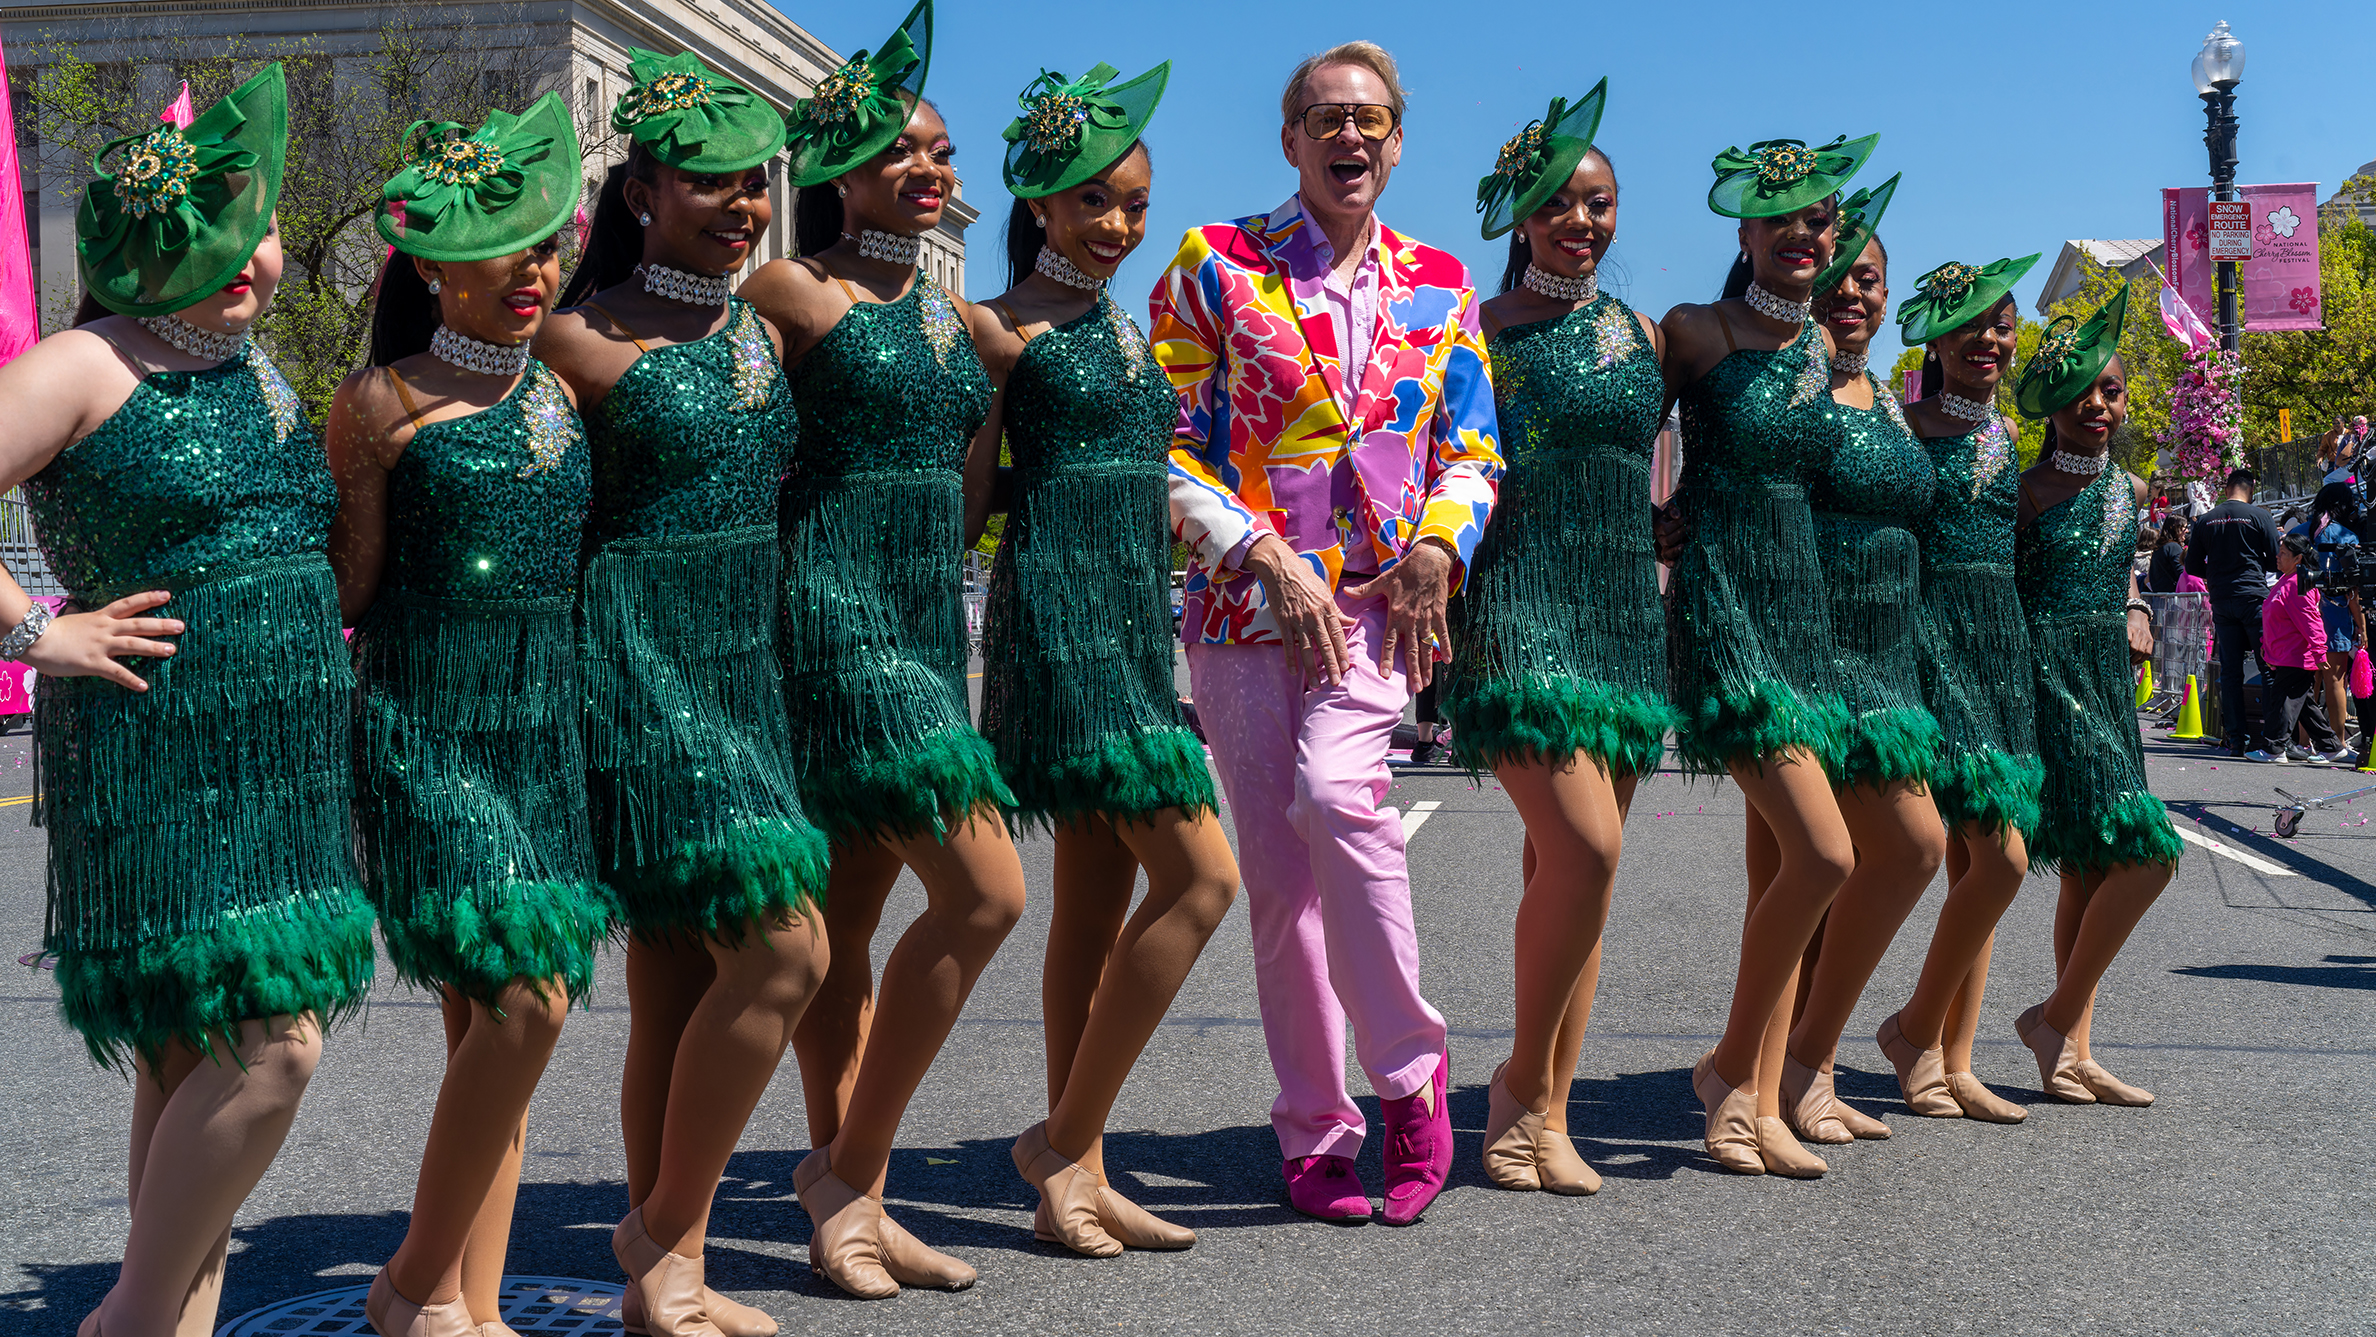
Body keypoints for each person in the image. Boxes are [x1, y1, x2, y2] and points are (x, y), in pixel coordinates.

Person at [0, 66, 376, 1335]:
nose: (252, 258)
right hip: (156, 751)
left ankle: (172, 1322)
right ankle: (133, 1318)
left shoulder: (256, 371)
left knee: (186, 1054)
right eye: (208, 229)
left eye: (258, 223)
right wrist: (39, 631)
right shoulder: (82, 362)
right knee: (275, 1043)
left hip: (277, 762)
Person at [1152, 40, 1500, 1224]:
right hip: (1247, 605)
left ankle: (1409, 1073)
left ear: (1398, 142)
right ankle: (1314, 1123)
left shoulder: (1442, 282)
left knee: (1337, 794)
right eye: (1324, 118)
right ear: (1290, 140)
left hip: (1381, 611)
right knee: (1281, 884)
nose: (1349, 138)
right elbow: (1168, 437)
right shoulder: (1216, 265)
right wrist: (1253, 547)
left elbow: (1474, 444)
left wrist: (1441, 546)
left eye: (1370, 120)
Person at [738, 0, 1028, 1297]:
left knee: (851, 920)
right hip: (828, 619)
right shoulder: (789, 290)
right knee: (986, 894)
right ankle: (845, 1174)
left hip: (923, 624)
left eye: (946, 153)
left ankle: (851, 1197)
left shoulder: (960, 323)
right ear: (841, 166)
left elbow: (973, 493)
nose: (934, 172)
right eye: (906, 150)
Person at [536, 49, 826, 1336]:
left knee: (670, 982)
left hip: (747, 673)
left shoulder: (759, 329)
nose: (741, 205)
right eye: (708, 181)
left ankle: (672, 1268)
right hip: (635, 673)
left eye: (754, 184)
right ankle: (654, 1232)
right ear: (641, 188)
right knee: (786, 949)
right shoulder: (573, 342)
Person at [329, 97, 611, 1336]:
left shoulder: (560, 391)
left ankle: (472, 1307)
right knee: (523, 1004)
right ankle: (408, 1284)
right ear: (436, 264)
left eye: (549, 244)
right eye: (508, 244)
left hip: (546, 730)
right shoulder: (378, 401)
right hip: (427, 729)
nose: (536, 267)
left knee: (488, 1034)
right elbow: (347, 586)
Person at [962, 60, 1241, 1256]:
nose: (1120, 224)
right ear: (1039, 204)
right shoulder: (999, 330)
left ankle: (1080, 1173)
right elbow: (969, 496)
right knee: (1202, 879)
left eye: (1134, 202)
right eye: (1094, 203)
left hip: (1135, 622)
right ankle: (1061, 1139)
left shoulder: (1121, 326)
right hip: (1063, 628)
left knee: (1094, 898)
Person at [1445, 82, 1672, 1196]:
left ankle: (1550, 1111)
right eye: (1560, 204)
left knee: (1577, 876)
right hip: (1519, 604)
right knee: (1586, 849)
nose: (1582, 222)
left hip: (1625, 616)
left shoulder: (1645, 333)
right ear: (1522, 216)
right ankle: (1517, 1084)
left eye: (1600, 203)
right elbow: (1432, 464)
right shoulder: (1477, 330)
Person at [1780, 184, 1956, 1151]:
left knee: (1854, 866)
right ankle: (1782, 1067)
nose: (1855, 293)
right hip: (1808, 644)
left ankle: (1810, 1060)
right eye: (1842, 275)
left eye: (1872, 280)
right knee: (1860, 857)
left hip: (1892, 658)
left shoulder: (1887, 393)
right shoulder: (1789, 375)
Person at [1883, 254, 2044, 1123]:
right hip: (1925, 645)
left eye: (2001, 324)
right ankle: (1911, 1033)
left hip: (1998, 653)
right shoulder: (1905, 428)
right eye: (1969, 326)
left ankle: (1952, 1054)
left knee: (1978, 865)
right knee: (2000, 860)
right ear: (1934, 341)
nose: (1988, 339)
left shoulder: (2006, 432)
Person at [2011, 284, 2181, 1106]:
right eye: (2082, 391)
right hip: (2052, 680)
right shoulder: (2027, 491)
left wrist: (2140, 606)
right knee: (2148, 852)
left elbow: (2126, 574)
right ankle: (2055, 1018)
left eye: (2112, 390)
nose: (2099, 405)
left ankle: (2070, 1051)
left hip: (2108, 683)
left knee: (2088, 866)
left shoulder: (2134, 491)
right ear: (2050, 400)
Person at [2183, 466, 2279, 756]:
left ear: (2226, 489)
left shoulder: (2206, 520)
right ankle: (2273, 739)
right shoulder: (2261, 516)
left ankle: (2236, 739)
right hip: (2253, 597)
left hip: (2222, 600)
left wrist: (2215, 574)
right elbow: (2276, 560)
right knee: (2269, 668)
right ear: (2250, 489)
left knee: (2231, 671)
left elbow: (2191, 566)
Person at [2254, 533, 2346, 765]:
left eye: (2283, 553)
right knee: (2304, 704)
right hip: (2286, 654)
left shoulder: (2297, 584)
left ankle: (2274, 749)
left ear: (2298, 559)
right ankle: (2331, 747)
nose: (2277, 556)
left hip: (2295, 656)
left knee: (2282, 701)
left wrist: (2319, 650)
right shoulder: (2288, 580)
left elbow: (2311, 620)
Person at [2146, 514, 2189, 593]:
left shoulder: (2160, 546)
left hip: (2159, 597)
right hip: (2173, 597)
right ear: (2174, 528)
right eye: (2184, 528)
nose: (2187, 531)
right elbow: (2182, 574)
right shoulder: (2173, 547)